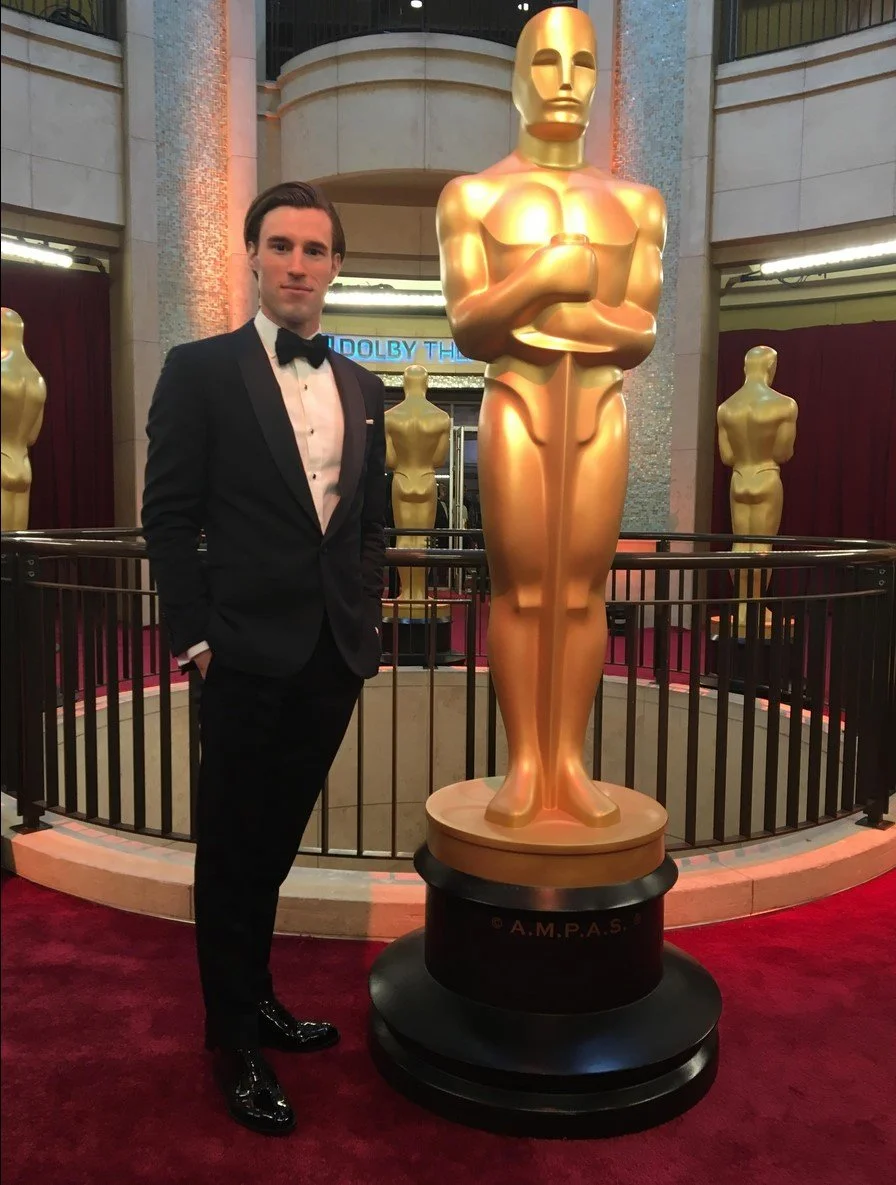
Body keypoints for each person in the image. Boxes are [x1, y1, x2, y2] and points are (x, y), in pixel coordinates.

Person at [142, 181, 387, 1135]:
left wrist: (362, 609)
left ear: (335, 265)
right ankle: (231, 1039)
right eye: (279, 245)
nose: (296, 264)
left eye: (314, 249)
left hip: (333, 657)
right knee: (233, 853)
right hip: (240, 656)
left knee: (274, 849)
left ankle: (259, 995)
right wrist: (198, 637)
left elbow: (369, 523)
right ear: (251, 256)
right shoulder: (199, 370)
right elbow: (168, 518)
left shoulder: (361, 387)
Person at [436, 6, 665, 829]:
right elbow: (471, 324)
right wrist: (548, 281)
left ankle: (569, 757)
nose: (566, 81)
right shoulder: (474, 197)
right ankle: (526, 762)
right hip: (517, 403)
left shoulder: (638, 203)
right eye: (545, 63)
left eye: (582, 63)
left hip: (599, 406)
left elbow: (637, 331)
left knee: (582, 590)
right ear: (515, 76)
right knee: (523, 587)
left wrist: (529, 309)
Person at [717, 344, 798, 629]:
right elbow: (783, 452)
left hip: (739, 477)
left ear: (744, 368)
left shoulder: (726, 408)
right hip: (766, 475)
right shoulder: (785, 405)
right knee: (763, 545)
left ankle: (741, 607)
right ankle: (756, 607)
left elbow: (726, 456)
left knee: (740, 543)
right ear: (771, 368)